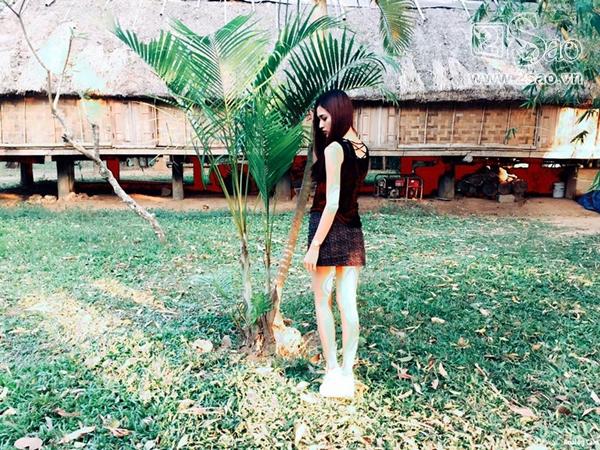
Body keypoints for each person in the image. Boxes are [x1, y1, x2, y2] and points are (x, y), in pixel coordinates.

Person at [303, 89, 369, 399]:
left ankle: (332, 370)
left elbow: (330, 203)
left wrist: (315, 245)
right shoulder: (362, 148)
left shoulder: (334, 149)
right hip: (353, 230)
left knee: (322, 301)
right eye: (318, 120)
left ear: (339, 113)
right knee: (348, 303)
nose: (320, 125)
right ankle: (347, 371)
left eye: (324, 118)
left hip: (327, 228)